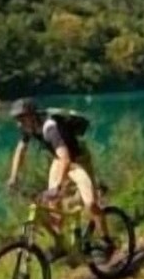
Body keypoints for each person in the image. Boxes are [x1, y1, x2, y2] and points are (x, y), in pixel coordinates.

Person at [6, 97, 113, 259]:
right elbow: (20, 151)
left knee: (90, 203)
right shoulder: (29, 127)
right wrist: (13, 177)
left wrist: (58, 187)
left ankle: (107, 241)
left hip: (79, 161)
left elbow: (67, 159)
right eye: (17, 119)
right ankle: (60, 244)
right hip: (59, 160)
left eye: (21, 118)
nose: (18, 123)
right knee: (52, 204)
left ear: (32, 115)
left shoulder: (50, 128)